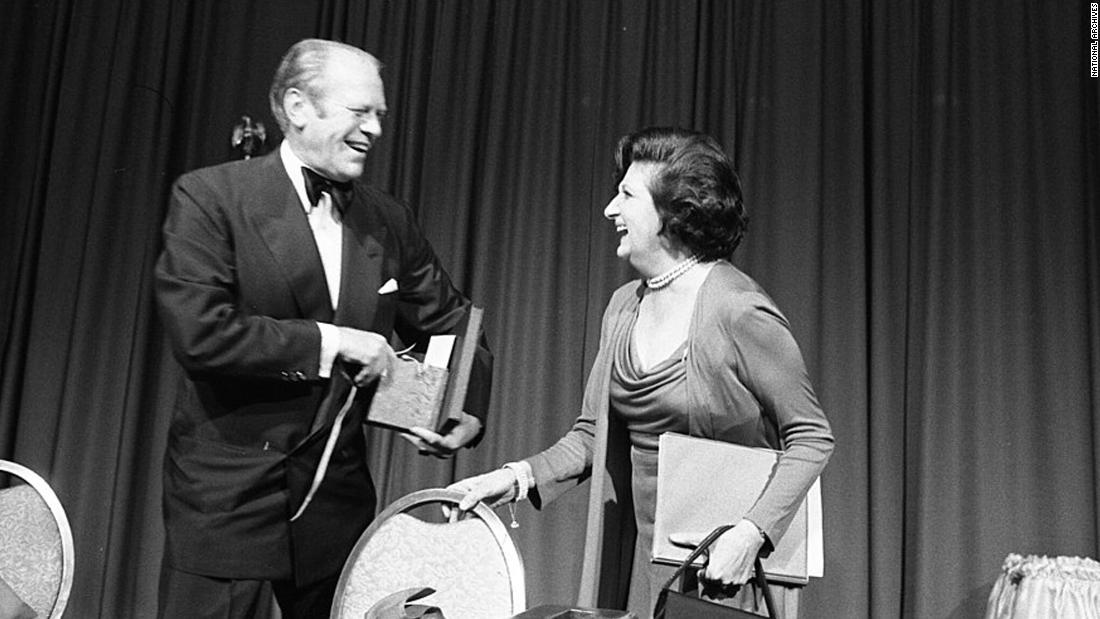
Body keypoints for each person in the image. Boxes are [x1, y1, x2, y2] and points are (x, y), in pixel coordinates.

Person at [154, 39, 492, 619]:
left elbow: (453, 319)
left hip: (335, 503)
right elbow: (202, 333)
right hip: (227, 495)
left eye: (381, 114)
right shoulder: (210, 197)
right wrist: (334, 342)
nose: (376, 128)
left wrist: (460, 404)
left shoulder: (387, 219)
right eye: (360, 111)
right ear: (298, 106)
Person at [449, 127, 833, 618]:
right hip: (638, 560)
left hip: (718, 568)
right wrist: (513, 479)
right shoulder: (623, 307)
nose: (611, 209)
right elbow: (591, 435)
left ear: (676, 214)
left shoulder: (739, 311)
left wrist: (750, 533)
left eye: (627, 195)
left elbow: (812, 437)